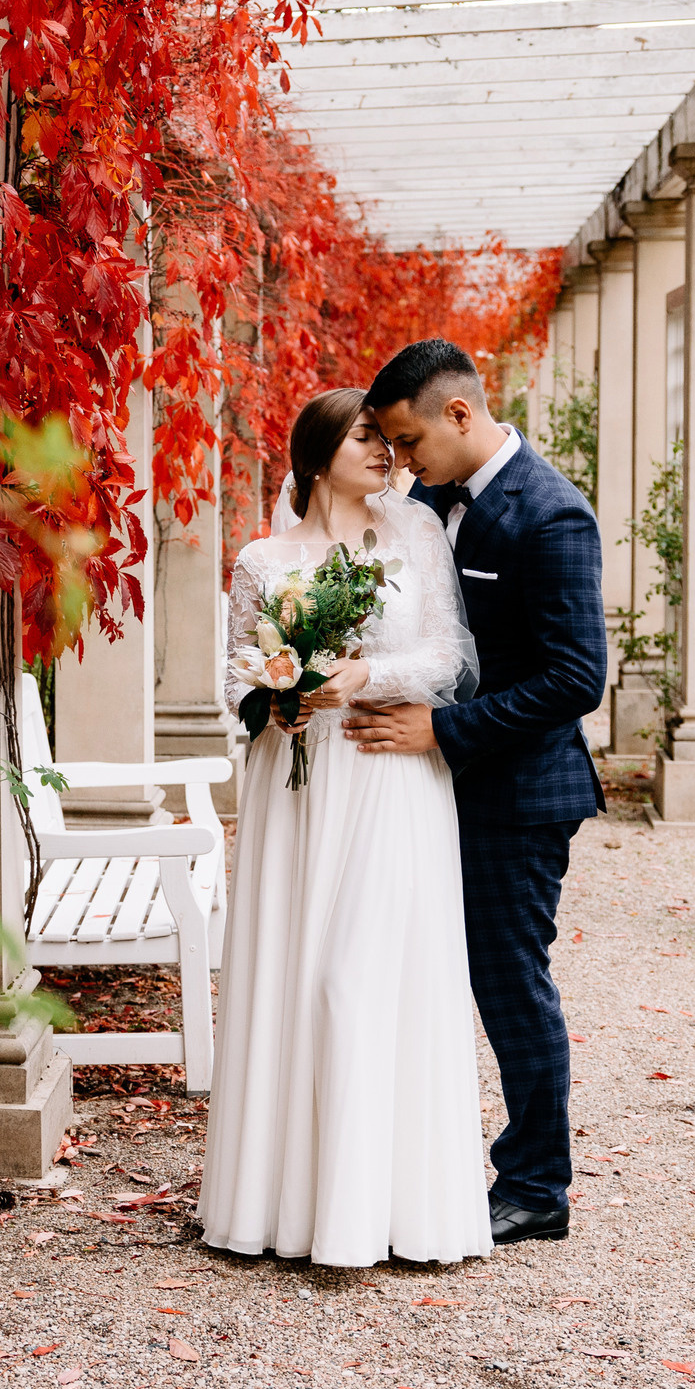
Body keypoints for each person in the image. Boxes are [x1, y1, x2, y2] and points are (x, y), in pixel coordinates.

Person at [196, 387, 492, 1267]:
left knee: (362, 977)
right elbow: (236, 677)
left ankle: (383, 1209)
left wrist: (364, 676)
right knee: (293, 974)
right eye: (364, 436)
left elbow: (448, 655)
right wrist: (276, 703)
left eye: (386, 437)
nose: (385, 450)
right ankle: (285, 1207)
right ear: (319, 456)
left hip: (390, 771)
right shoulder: (261, 559)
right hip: (299, 784)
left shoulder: (418, 533)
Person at [344, 338, 608, 1246]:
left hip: (521, 794)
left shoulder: (553, 514)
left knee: (508, 983)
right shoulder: (427, 502)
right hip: (429, 790)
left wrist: (443, 730)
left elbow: (576, 678)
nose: (401, 461)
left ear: (459, 413)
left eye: (410, 441)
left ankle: (537, 1185)